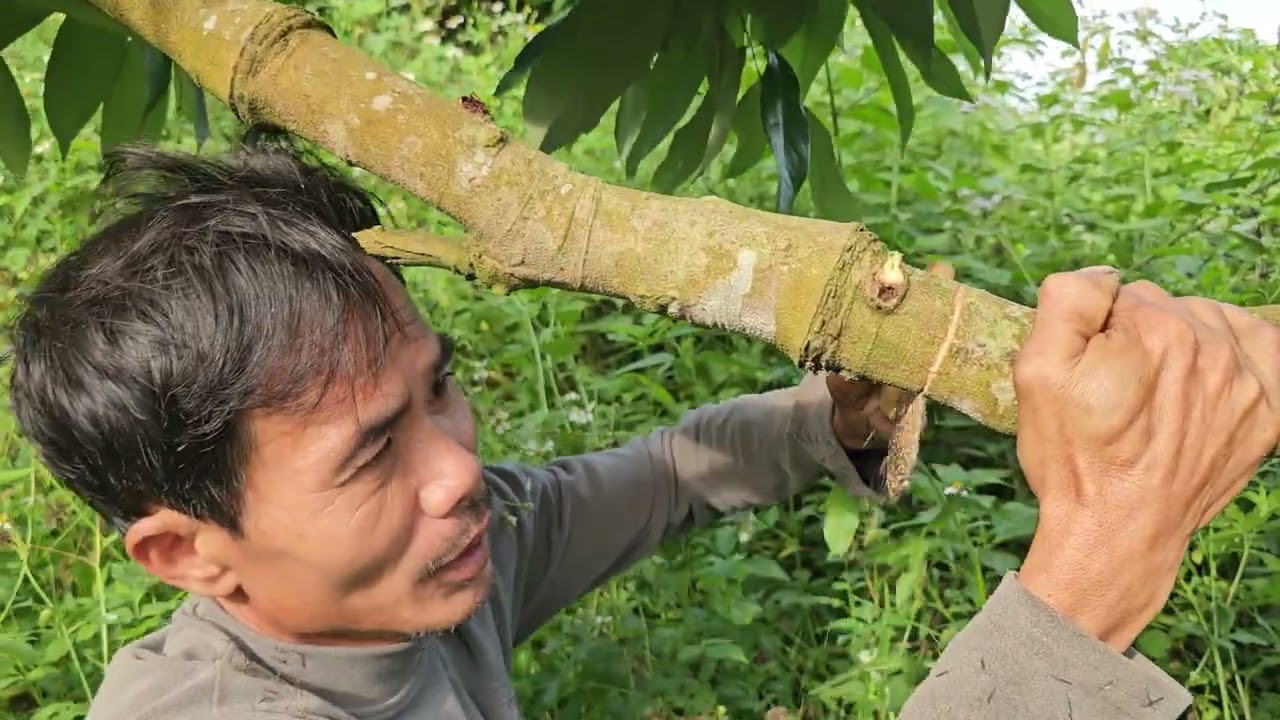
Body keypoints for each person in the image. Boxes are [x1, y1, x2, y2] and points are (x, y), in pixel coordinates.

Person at [6, 143, 1277, 720]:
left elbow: (665, 473)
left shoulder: (429, 562)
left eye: (435, 390)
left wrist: (849, 400)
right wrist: (1096, 566)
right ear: (186, 554)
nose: (458, 471)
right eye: (367, 452)